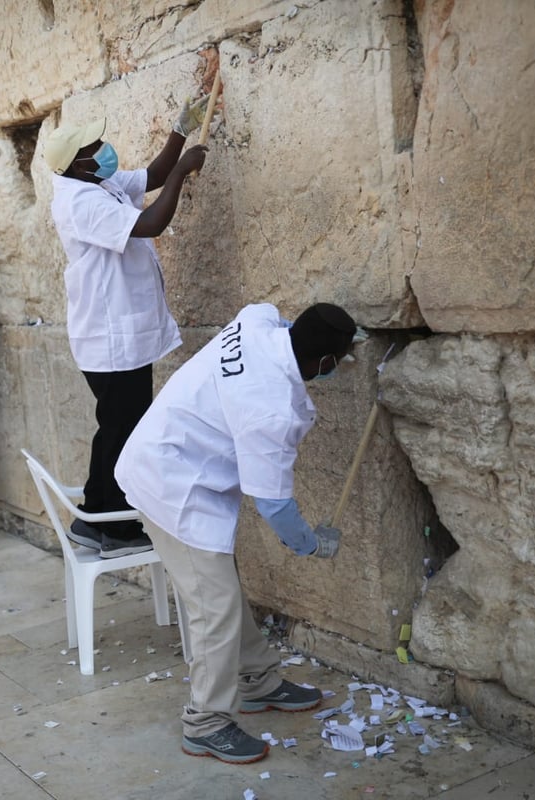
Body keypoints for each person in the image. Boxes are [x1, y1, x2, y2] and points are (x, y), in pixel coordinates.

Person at [115, 301, 359, 764]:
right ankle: (205, 723)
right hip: (170, 486)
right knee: (216, 606)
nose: (338, 369)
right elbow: (273, 504)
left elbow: (267, 312)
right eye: (339, 362)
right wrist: (310, 543)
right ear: (324, 363)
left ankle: (257, 680)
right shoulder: (270, 412)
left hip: (166, 454)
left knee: (221, 594)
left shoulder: (257, 322)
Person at [42, 97, 210, 559]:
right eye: (93, 147)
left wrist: (180, 129)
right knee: (124, 429)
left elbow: (151, 177)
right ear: (74, 165)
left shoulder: (97, 180)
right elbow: (153, 221)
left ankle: (91, 519)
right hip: (109, 338)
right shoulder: (80, 203)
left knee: (115, 426)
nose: (103, 149)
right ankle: (113, 527)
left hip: (120, 334)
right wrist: (184, 172)